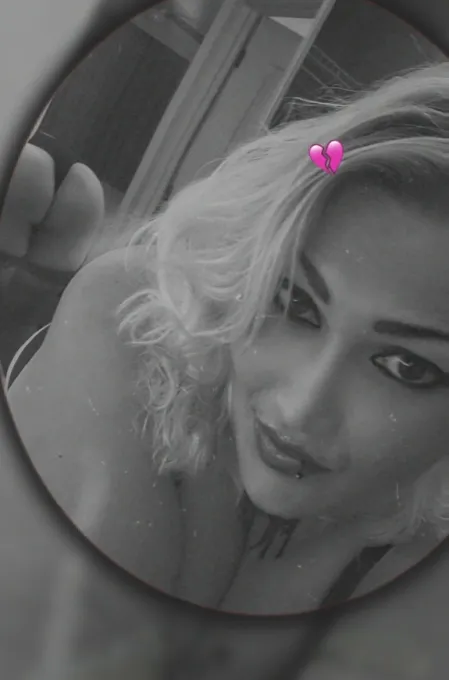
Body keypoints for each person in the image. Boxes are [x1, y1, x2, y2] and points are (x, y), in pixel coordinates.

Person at [7, 63, 449, 616]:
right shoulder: (134, 321)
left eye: (407, 367)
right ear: (245, 268)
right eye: (295, 303)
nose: (300, 409)